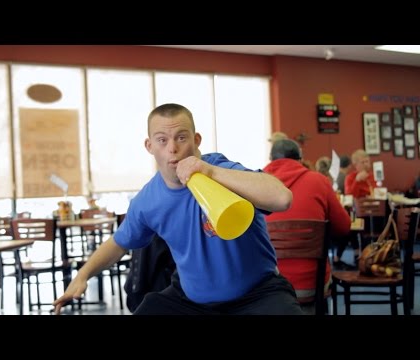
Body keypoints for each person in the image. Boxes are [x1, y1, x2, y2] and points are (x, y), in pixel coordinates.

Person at [53, 103, 303, 315]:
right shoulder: (147, 200)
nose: (172, 148)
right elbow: (119, 243)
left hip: (257, 294)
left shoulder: (221, 169)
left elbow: (282, 198)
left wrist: (211, 171)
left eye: (181, 138)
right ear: (149, 146)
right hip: (191, 301)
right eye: (162, 140)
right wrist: (83, 275)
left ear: (196, 141)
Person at [263, 139, 351, 312]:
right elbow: (344, 227)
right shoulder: (319, 181)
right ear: (301, 158)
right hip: (311, 285)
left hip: (267, 287)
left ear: (271, 158)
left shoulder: (254, 183)